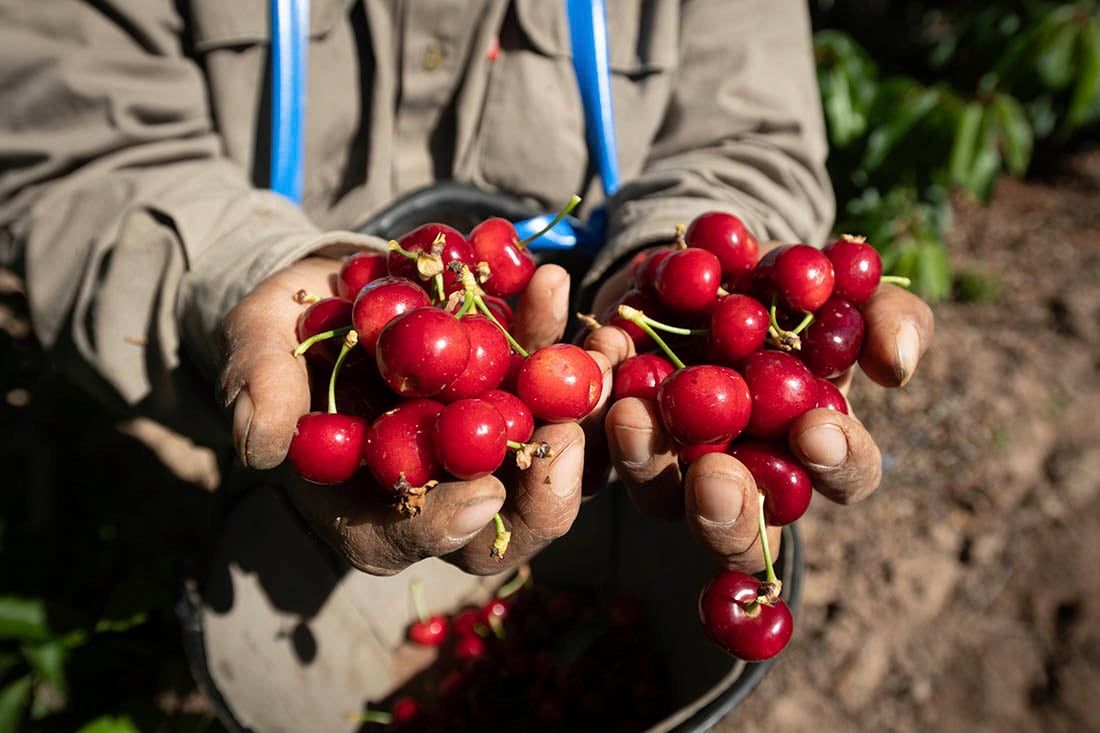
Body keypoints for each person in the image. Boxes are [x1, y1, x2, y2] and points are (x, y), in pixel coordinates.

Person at [0, 1, 933, 730]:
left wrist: (676, 271)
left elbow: (747, 139)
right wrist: (235, 282)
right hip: (246, 393)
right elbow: (73, 148)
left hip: (585, 360)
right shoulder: (401, 346)